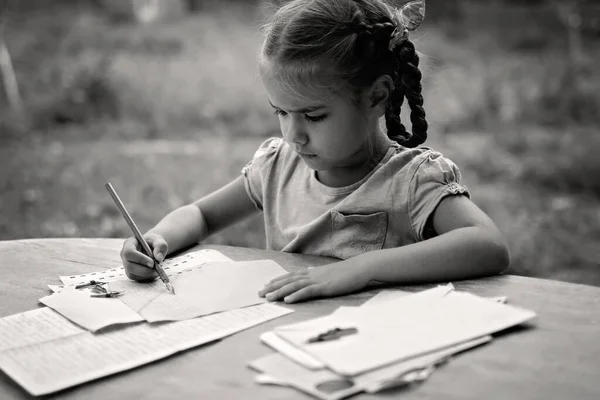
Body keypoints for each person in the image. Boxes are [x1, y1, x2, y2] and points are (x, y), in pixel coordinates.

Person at [120, 0, 509, 304]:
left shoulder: (411, 179)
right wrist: (158, 238)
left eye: (314, 115)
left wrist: (362, 268)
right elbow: (201, 215)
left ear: (377, 97)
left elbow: (487, 245)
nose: (293, 135)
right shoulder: (278, 167)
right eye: (281, 113)